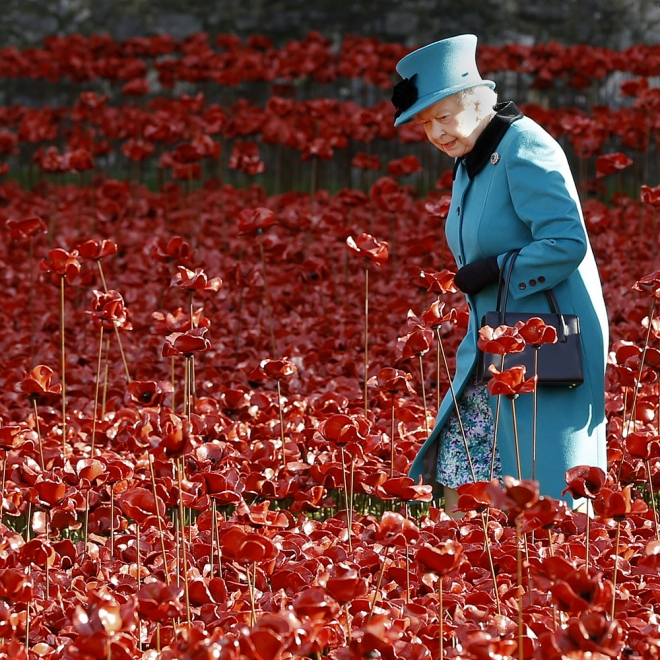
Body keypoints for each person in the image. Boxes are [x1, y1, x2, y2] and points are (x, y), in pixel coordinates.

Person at [392, 34, 608, 516]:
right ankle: (472, 576)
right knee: (461, 467)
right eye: (426, 124)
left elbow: (567, 242)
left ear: (478, 100)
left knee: (545, 485)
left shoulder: (525, 145)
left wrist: (499, 268)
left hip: (546, 339)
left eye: (444, 116)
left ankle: (540, 577)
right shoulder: (469, 160)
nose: (437, 133)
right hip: (495, 339)